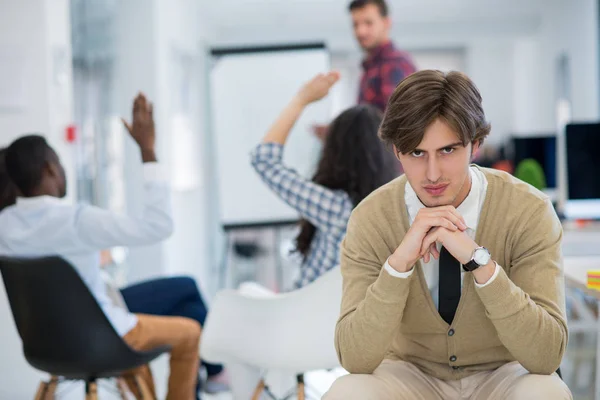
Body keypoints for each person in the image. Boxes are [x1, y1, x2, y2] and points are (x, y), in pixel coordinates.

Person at [323, 70, 572, 399]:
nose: (432, 174)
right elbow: (355, 357)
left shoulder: (529, 211)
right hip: (410, 375)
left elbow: (546, 355)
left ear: (476, 145)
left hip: (503, 373)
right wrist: (398, 265)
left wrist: (478, 260)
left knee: (546, 392)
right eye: (416, 153)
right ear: (396, 151)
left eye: (448, 150)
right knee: (348, 391)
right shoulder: (370, 218)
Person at [0, 94, 200, 400]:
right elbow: (159, 226)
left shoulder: (6, 225)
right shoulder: (78, 220)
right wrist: (147, 151)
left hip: (45, 345)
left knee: (166, 305)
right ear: (51, 169)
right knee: (189, 332)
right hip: (102, 338)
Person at [251, 71, 398, 289]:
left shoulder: (337, 209)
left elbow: (264, 160)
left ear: (334, 152)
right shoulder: (388, 208)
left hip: (306, 315)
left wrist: (301, 99)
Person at [351, 0, 416, 112]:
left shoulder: (394, 64)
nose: (360, 31)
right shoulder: (371, 67)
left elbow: (398, 122)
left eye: (368, 23)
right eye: (355, 24)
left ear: (386, 23)